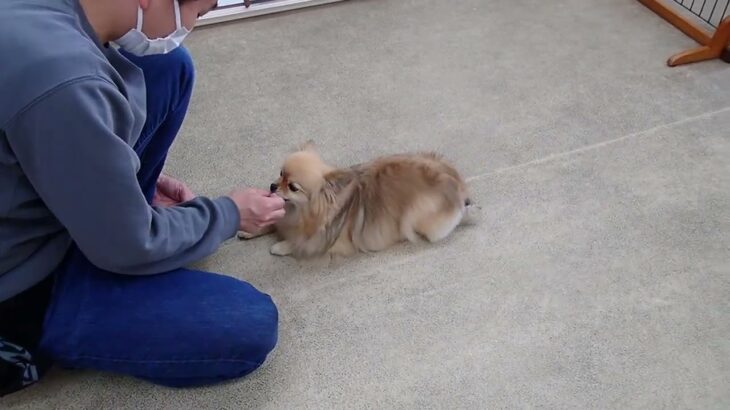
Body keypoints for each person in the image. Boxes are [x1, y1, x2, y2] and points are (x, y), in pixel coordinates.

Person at [0, 0, 286, 396]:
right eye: (198, 12)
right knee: (246, 322)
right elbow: (128, 244)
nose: (191, 25)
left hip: (24, 202)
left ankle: (120, 209)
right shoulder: (62, 81)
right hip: (19, 289)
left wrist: (108, 173)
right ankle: (61, 323)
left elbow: (50, 125)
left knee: (168, 69)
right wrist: (228, 213)